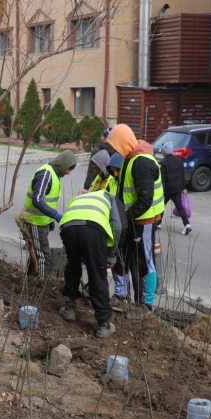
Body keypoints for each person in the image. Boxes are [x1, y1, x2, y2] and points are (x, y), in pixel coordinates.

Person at [108, 124, 164, 315]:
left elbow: (145, 200)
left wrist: (126, 217)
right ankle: (121, 296)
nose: (114, 150)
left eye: (115, 145)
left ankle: (146, 305)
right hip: (132, 221)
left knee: (144, 263)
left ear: (123, 142)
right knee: (122, 256)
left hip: (144, 222)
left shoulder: (142, 162)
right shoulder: (130, 159)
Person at [58, 189, 123, 339]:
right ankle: (104, 324)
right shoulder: (109, 197)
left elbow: (72, 216)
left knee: (72, 268)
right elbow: (118, 227)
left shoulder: (80, 197)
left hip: (68, 227)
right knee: (97, 274)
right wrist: (111, 254)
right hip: (93, 229)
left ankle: (69, 308)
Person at [21, 150, 77, 280]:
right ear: (63, 165)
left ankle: (30, 280)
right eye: (69, 169)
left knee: (37, 253)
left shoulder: (53, 174)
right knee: (44, 256)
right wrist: (55, 215)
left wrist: (50, 218)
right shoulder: (46, 174)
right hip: (35, 221)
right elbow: (38, 199)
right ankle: (41, 286)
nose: (68, 172)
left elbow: (47, 201)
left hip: (42, 221)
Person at [105, 152, 129, 306]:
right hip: (115, 225)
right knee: (117, 260)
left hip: (126, 224)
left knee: (122, 261)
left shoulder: (129, 181)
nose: (115, 174)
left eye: (117, 170)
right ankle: (121, 293)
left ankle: (122, 295)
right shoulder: (111, 181)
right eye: (112, 170)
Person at [159, 142, 191, 235]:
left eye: (163, 151)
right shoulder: (179, 161)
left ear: (165, 152)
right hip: (177, 189)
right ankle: (187, 225)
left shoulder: (163, 162)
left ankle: (158, 224)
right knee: (180, 207)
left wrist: (162, 192)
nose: (162, 152)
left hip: (167, 190)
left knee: (161, 206)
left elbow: (163, 179)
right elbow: (182, 174)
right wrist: (183, 187)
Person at [82, 127, 117, 192]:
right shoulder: (117, 150)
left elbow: (91, 170)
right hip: (113, 184)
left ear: (104, 138)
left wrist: (86, 187)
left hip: (99, 182)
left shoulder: (97, 150)